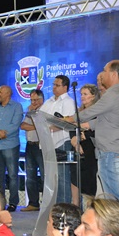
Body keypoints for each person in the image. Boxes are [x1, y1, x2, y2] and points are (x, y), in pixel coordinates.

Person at [66, 60, 119, 214]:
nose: (101, 74)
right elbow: (104, 121)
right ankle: (115, 233)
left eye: (104, 71)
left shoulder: (114, 94)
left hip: (113, 153)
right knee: (110, 200)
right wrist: (87, 125)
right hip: (112, 152)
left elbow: (90, 112)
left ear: (114, 74)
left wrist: (69, 119)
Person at [0, 85, 23, 212]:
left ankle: (13, 202)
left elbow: (15, 125)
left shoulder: (17, 107)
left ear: (8, 94)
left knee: (12, 175)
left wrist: (0, 137)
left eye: (0, 92)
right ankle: (0, 202)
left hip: (10, 145)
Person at [40, 75, 75, 203]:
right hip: (48, 143)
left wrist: (50, 127)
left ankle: (64, 208)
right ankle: (55, 207)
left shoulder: (68, 102)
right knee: (51, 178)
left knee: (62, 177)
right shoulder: (48, 101)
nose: (54, 87)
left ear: (65, 87)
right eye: (53, 84)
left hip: (62, 142)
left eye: (57, 85)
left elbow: (68, 122)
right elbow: (39, 118)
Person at [70, 84, 100, 205]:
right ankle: (76, 207)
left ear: (93, 96)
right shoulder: (79, 111)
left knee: (89, 180)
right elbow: (72, 127)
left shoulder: (98, 111)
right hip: (78, 147)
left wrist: (85, 135)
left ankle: (91, 207)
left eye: (85, 94)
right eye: (81, 94)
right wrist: (73, 139)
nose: (82, 97)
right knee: (76, 178)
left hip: (91, 148)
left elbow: (99, 128)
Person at [20, 89, 44, 212]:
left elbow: (43, 127)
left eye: (35, 100)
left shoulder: (45, 110)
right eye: (31, 100)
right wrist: (35, 126)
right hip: (30, 146)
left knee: (44, 176)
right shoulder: (30, 111)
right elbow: (23, 125)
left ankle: (46, 204)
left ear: (41, 99)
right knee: (30, 176)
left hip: (41, 146)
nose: (33, 102)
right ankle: (33, 203)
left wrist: (33, 127)